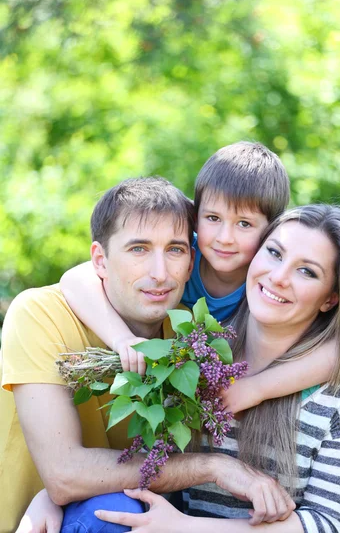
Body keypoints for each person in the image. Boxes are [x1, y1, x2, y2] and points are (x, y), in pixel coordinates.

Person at [87, 204, 340, 533]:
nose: (279, 277)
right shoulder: (199, 346)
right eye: (274, 253)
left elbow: (325, 521)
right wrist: (54, 495)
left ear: (330, 298)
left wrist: (185, 528)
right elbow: (149, 462)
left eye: (307, 272)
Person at [59, 142, 338, 416]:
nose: (224, 238)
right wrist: (121, 339)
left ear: (271, 230)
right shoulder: (178, 254)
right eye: (213, 218)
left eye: (244, 224)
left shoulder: (267, 283)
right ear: (195, 216)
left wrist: (256, 388)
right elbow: (75, 279)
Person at [0, 176, 197, 533]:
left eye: (175, 249)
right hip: (25, 524)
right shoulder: (41, 313)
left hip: (109, 507)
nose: (159, 273)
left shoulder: (190, 336)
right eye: (138, 249)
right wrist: (213, 467)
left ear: (191, 262)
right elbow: (63, 475)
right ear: (100, 261)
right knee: (113, 509)